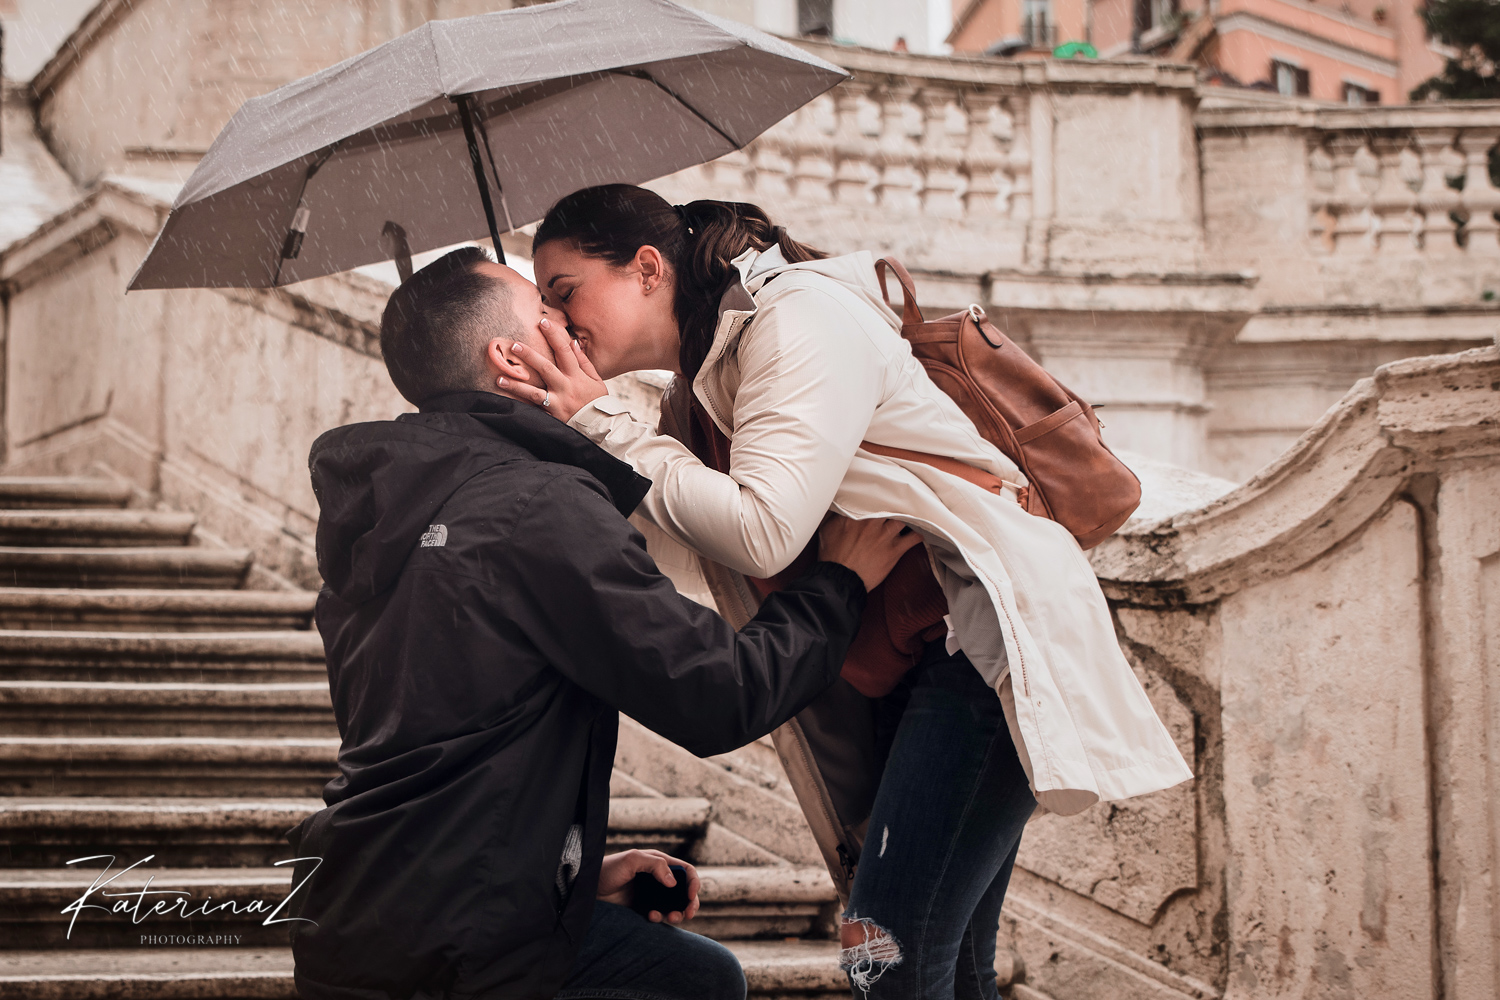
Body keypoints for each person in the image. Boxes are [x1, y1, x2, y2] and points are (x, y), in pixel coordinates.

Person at [506, 186, 1194, 1000]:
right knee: (945, 956)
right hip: (913, 654)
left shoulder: (797, 321)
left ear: (647, 269)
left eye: (564, 292)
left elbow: (762, 531)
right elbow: (688, 551)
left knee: (884, 953)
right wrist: (575, 435)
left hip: (978, 638)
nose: (557, 322)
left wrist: (604, 425)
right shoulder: (706, 374)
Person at [285, 247, 920, 1000]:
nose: (568, 322)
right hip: (462, 944)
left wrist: (571, 873)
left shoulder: (383, 511)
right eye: (545, 311)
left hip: (359, 909)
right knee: (698, 984)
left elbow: (440, 737)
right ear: (510, 357)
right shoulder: (533, 506)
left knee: (692, 973)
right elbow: (718, 691)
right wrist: (839, 583)